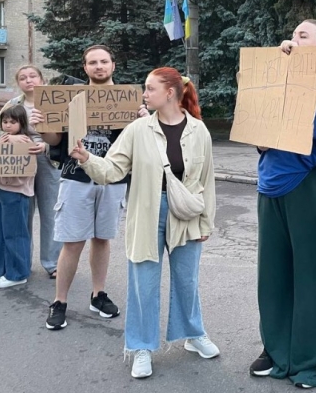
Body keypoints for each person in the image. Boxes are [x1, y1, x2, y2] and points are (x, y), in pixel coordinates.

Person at [71, 67, 218, 379]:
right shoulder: (138, 130)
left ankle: (194, 335)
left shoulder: (199, 131)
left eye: (150, 89)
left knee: (186, 280)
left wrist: (206, 222)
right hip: (147, 212)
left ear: (170, 93)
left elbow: (207, 181)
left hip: (186, 215)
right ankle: (141, 347)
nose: (144, 94)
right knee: (143, 284)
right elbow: (113, 169)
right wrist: (86, 159)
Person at [249, 20, 316, 389]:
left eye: (302, 36)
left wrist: (298, 72)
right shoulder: (279, 77)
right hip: (273, 184)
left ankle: (312, 361)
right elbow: (258, 122)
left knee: (314, 279)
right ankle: (278, 351)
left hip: (315, 184)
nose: (293, 40)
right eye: (292, 35)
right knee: (273, 276)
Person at [33, 45, 147, 330]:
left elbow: (141, 141)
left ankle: (98, 294)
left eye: (104, 61)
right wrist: (41, 127)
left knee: (102, 239)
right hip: (76, 177)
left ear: (113, 65)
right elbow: (55, 139)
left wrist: (145, 121)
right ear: (84, 68)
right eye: (93, 62)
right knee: (72, 242)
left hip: (113, 179)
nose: (99, 66)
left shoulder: (128, 100)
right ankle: (60, 301)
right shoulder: (71, 98)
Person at [0, 65, 61, 279]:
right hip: (17, 161)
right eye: (23, 77)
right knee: (22, 213)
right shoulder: (13, 104)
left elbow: (65, 132)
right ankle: (22, 261)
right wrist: (10, 137)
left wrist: (46, 146)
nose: (29, 80)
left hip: (47, 161)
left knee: (51, 213)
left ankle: (52, 262)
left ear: (41, 78)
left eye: (33, 76)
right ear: (18, 82)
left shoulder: (53, 100)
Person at [0, 105, 44, 289]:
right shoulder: (0, 139)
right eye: (5, 122)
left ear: (21, 123)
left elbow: (28, 169)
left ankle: (17, 273)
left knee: (15, 234)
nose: (7, 125)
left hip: (16, 193)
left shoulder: (26, 142)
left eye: (12, 122)